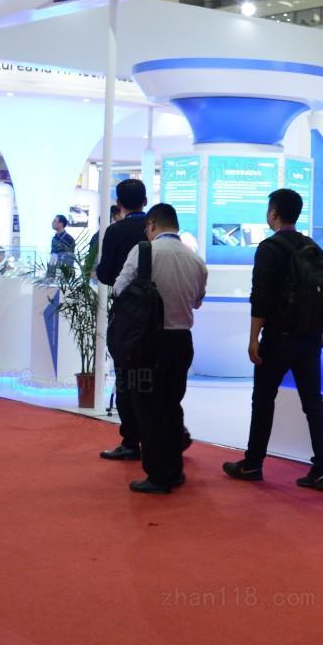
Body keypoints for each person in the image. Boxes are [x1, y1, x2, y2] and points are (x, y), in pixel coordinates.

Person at [223, 189, 323, 489]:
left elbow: (260, 296)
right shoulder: (312, 246)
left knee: (263, 400)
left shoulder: (269, 248)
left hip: (279, 338)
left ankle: (253, 464)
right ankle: (322, 471)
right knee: (314, 403)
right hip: (310, 338)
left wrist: (253, 338)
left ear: (273, 213)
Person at [112, 203, 207, 494]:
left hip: (148, 342)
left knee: (148, 408)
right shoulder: (196, 260)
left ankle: (158, 475)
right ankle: (174, 470)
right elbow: (197, 301)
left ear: (152, 224)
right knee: (171, 404)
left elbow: (119, 289)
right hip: (182, 341)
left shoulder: (144, 251)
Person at [97, 179, 151, 461]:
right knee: (156, 377)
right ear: (145, 201)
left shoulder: (115, 231)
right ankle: (166, 436)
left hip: (127, 314)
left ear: (119, 204)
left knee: (126, 377)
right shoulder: (155, 228)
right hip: (158, 313)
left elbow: (106, 275)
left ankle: (131, 441)